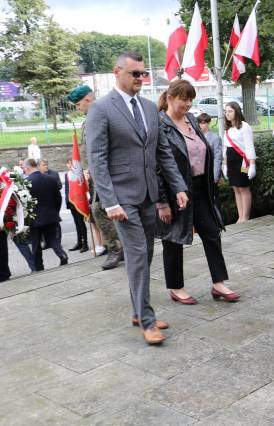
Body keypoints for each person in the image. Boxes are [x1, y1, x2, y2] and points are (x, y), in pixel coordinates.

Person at [85, 51, 189, 345]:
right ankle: (146, 320)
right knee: (139, 254)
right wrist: (109, 202)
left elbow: (163, 153)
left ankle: (137, 309)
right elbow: (97, 159)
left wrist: (178, 187)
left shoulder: (148, 108)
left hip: (148, 195)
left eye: (143, 74)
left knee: (144, 254)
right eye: (134, 74)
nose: (140, 79)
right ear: (116, 71)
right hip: (122, 199)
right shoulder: (101, 109)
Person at [156, 80, 239, 304]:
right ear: (171, 98)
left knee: (212, 232)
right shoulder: (159, 125)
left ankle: (218, 283)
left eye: (191, 99)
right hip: (175, 191)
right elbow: (156, 166)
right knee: (173, 239)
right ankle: (176, 287)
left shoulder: (191, 119)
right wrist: (162, 202)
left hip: (201, 187)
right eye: (184, 99)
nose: (189, 104)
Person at [68, 84, 123, 269]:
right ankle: (118, 248)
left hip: (106, 173)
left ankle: (116, 249)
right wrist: (85, 168)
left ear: (87, 100)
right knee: (100, 210)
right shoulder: (87, 121)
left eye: (78, 104)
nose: (78, 108)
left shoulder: (104, 116)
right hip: (95, 176)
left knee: (99, 209)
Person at [23, 158, 68, 270]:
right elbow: (58, 198)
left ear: (27, 168)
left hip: (35, 219)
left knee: (36, 244)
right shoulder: (51, 179)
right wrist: (55, 212)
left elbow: (24, 203)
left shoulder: (26, 183)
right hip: (51, 215)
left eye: (24, 169)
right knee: (53, 239)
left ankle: (39, 266)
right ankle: (62, 254)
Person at [223, 101, 256, 223]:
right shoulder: (228, 129)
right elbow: (225, 148)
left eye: (230, 111)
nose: (227, 114)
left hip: (243, 162)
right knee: (235, 188)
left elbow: (249, 147)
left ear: (236, 111)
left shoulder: (244, 126)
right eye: (226, 111)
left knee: (243, 187)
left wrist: (252, 165)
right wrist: (225, 165)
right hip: (231, 161)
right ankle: (240, 216)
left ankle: (245, 217)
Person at [64, 158, 89, 253]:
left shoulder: (79, 174)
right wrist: (67, 201)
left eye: (72, 163)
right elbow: (67, 189)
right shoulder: (67, 175)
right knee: (76, 223)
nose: (70, 165)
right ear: (67, 165)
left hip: (79, 202)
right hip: (71, 202)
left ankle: (85, 243)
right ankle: (79, 242)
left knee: (81, 223)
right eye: (69, 163)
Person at [196, 113, 223, 184]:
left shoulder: (215, 138)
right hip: (198, 174)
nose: (200, 125)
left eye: (203, 123)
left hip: (210, 172)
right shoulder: (195, 137)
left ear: (208, 123)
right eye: (199, 123)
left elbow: (218, 158)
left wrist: (215, 176)